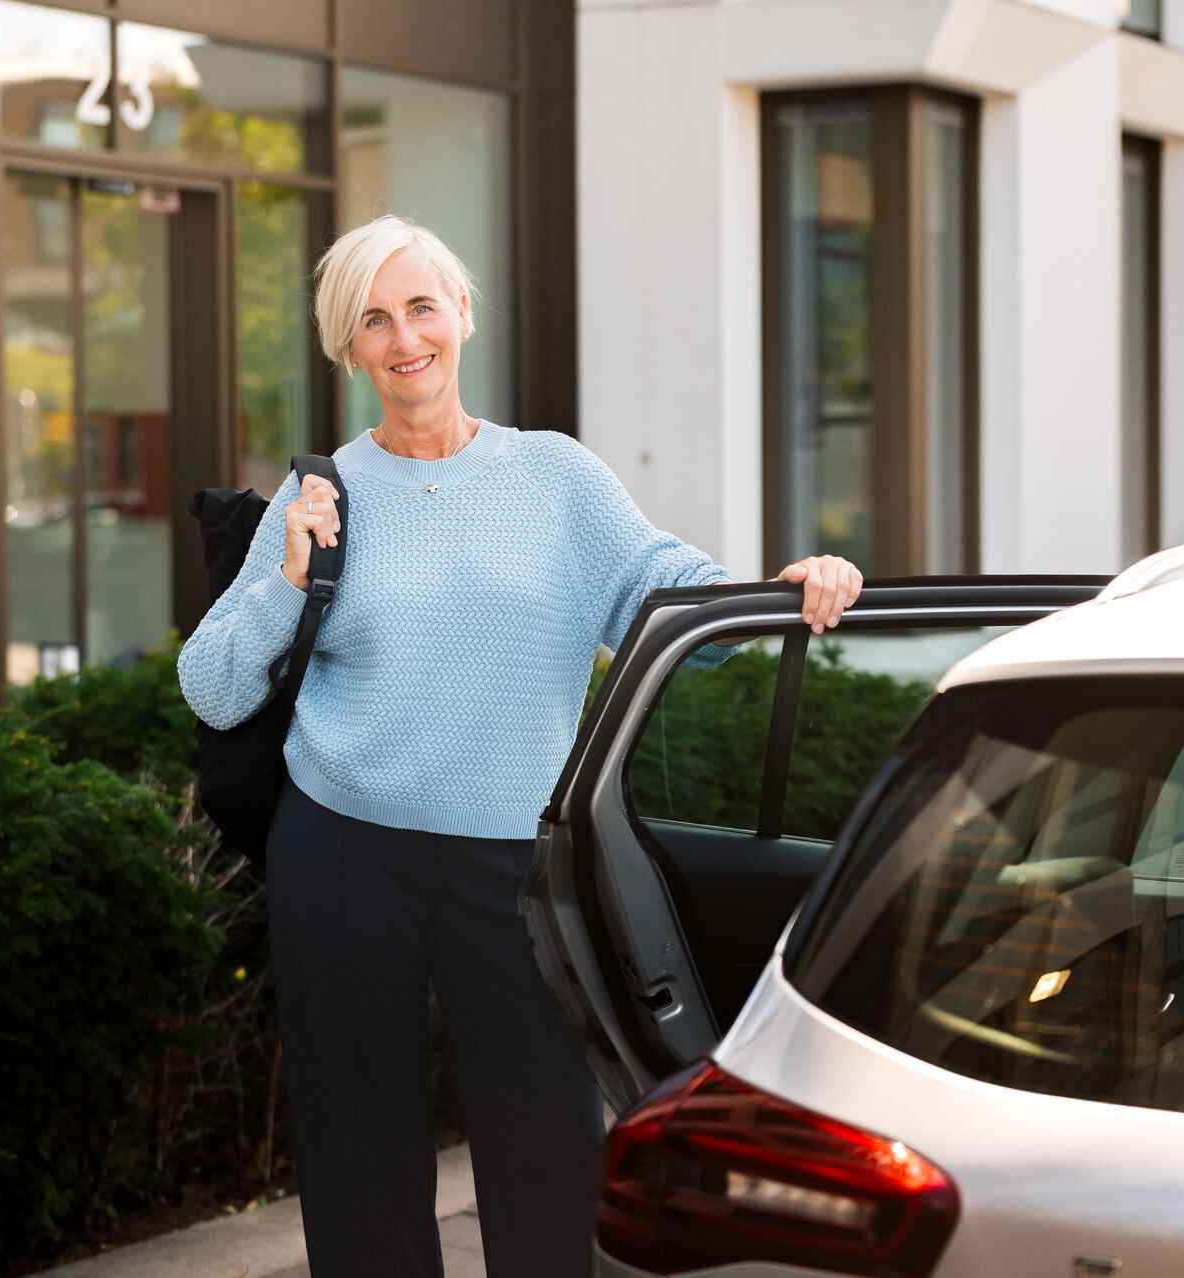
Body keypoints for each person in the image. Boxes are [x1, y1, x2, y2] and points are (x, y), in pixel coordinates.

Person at [176, 214, 863, 1278]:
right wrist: (286, 579)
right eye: (373, 320)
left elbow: (672, 601)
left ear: (463, 315)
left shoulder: (556, 479)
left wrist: (786, 589)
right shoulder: (319, 498)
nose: (405, 338)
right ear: (347, 347)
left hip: (515, 858)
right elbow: (213, 688)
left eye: (421, 307)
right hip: (344, 851)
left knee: (548, 1150)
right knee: (360, 1168)